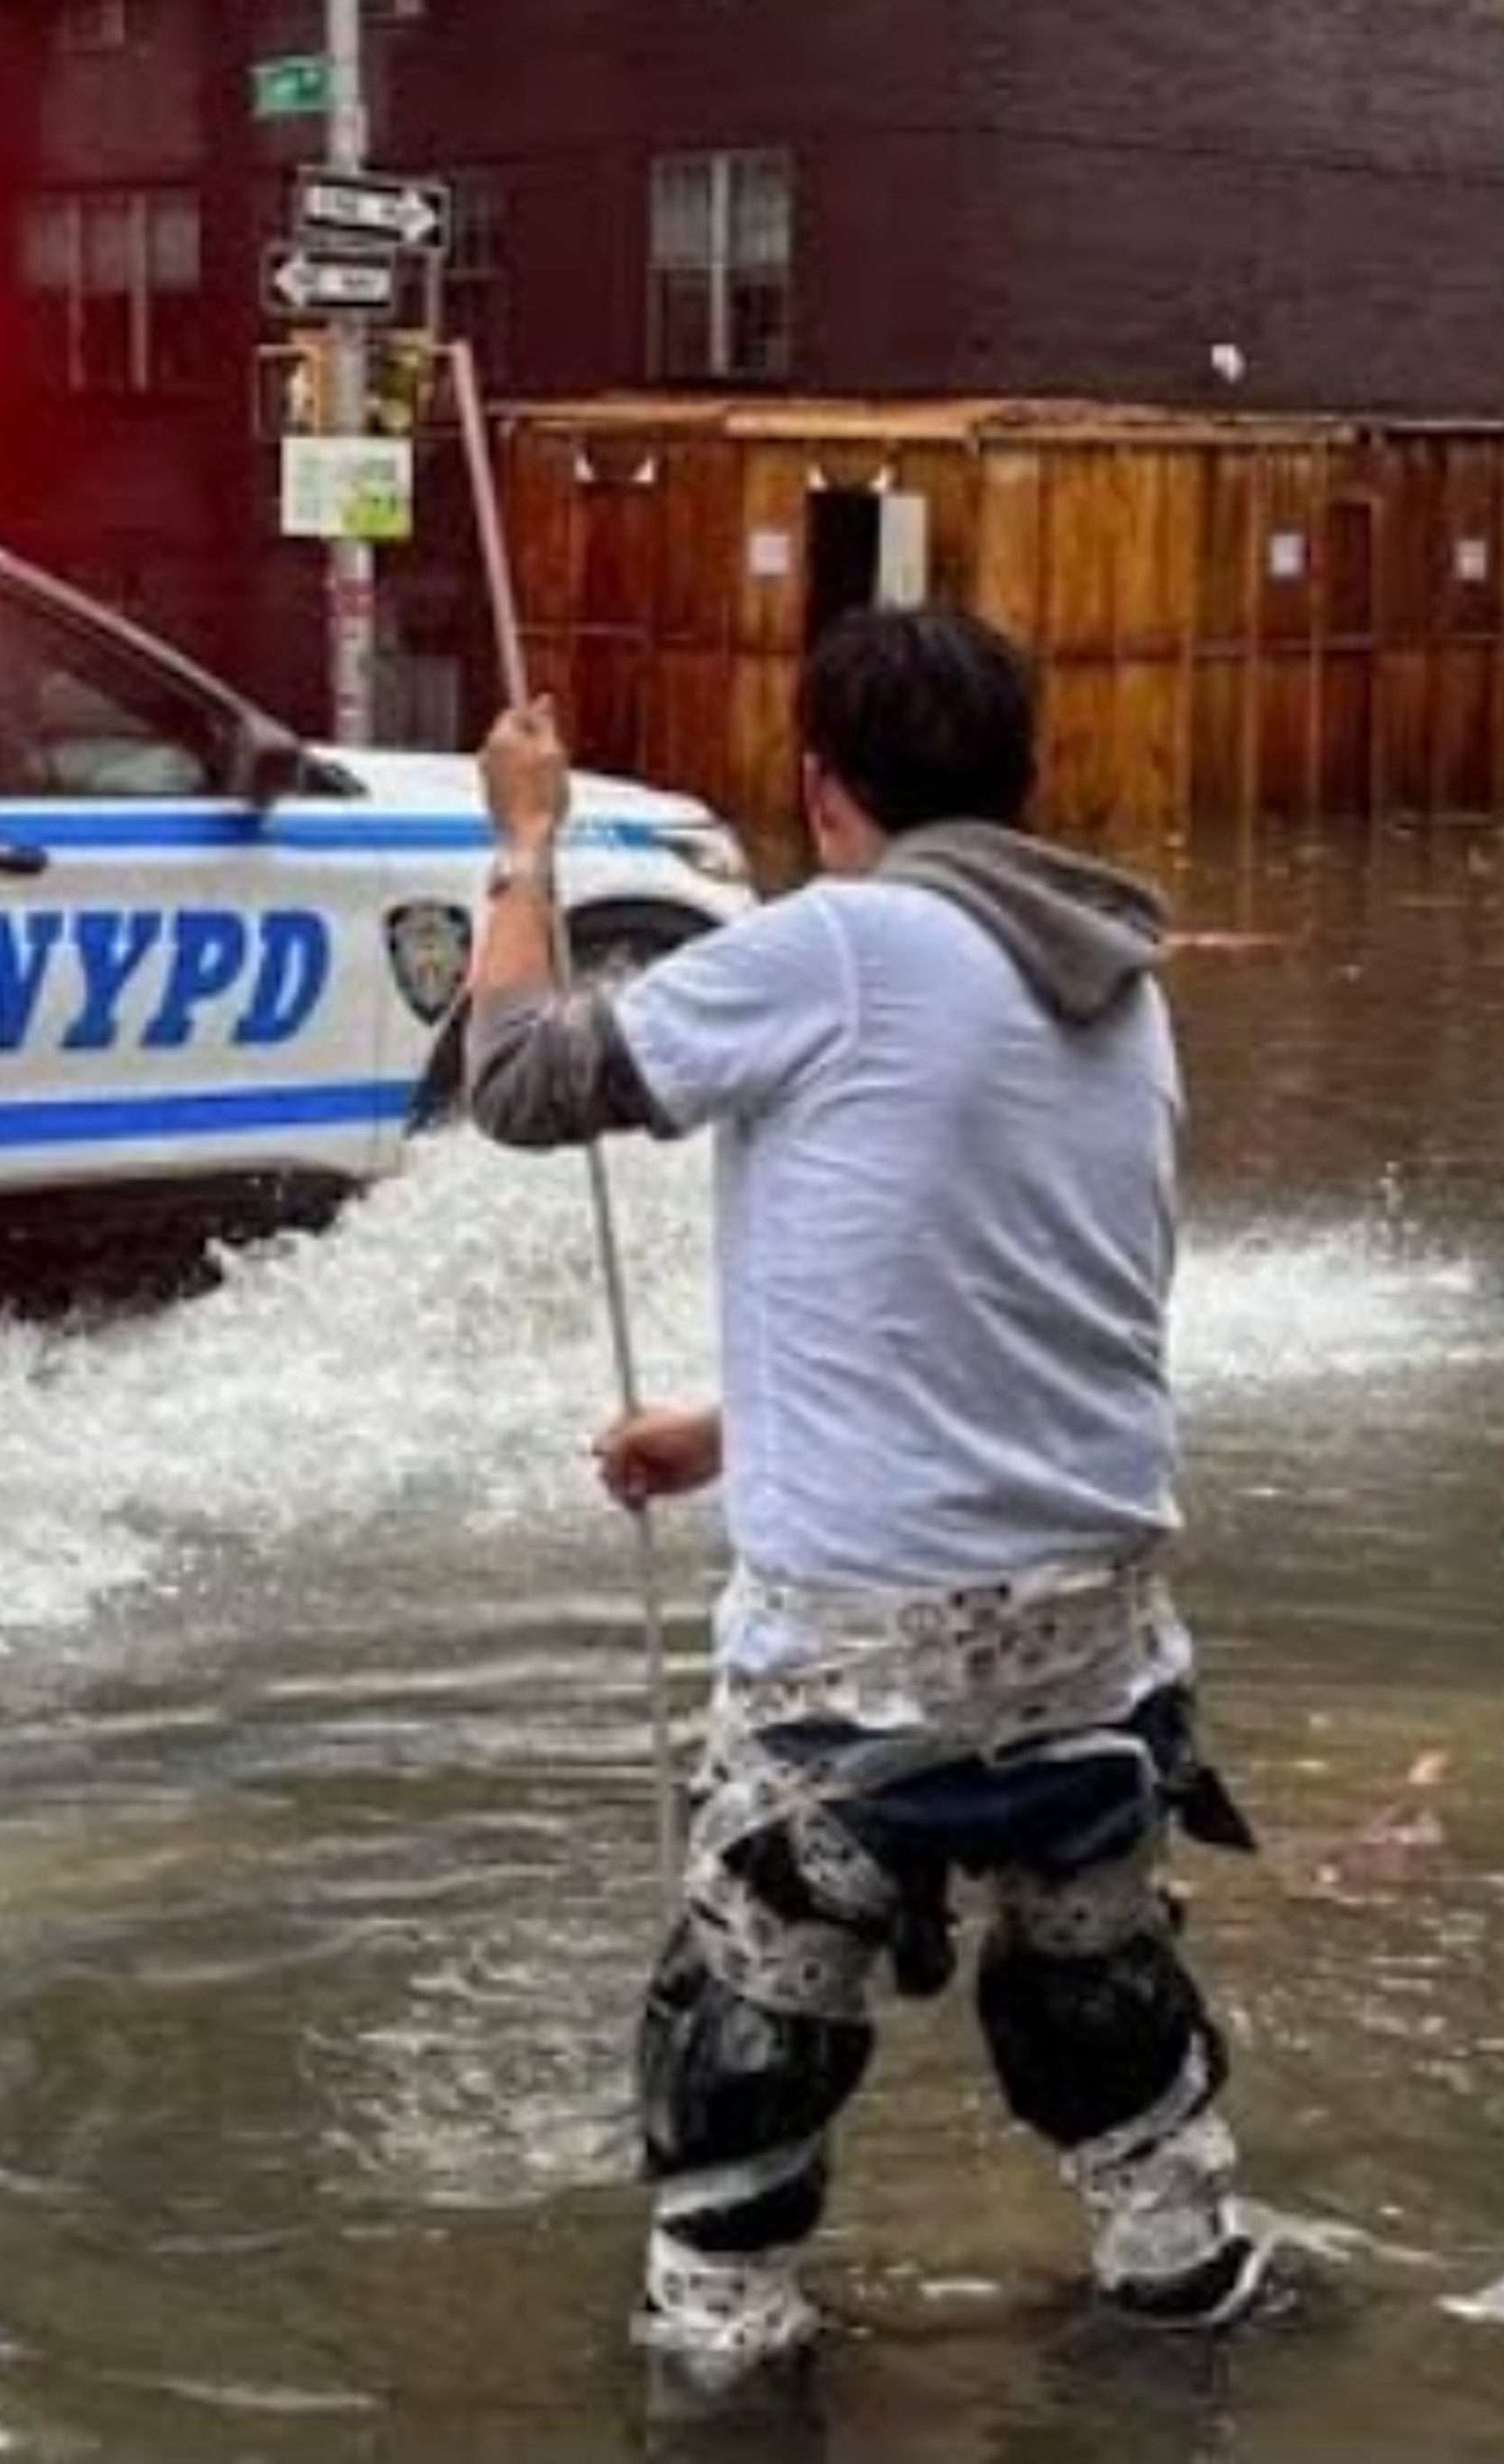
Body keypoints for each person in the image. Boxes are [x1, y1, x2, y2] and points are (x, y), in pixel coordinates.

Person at [466, 606, 1266, 2372]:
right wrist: (739, 1426)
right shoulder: (1112, 976)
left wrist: (520, 843)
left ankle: (734, 2359)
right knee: (1101, 1998)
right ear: (1020, 777)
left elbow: (514, 1082)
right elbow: (1013, 1291)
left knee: (746, 2027)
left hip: (861, 1651)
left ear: (822, 790)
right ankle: (1186, 2285)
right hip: (1104, 1633)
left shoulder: (836, 944)